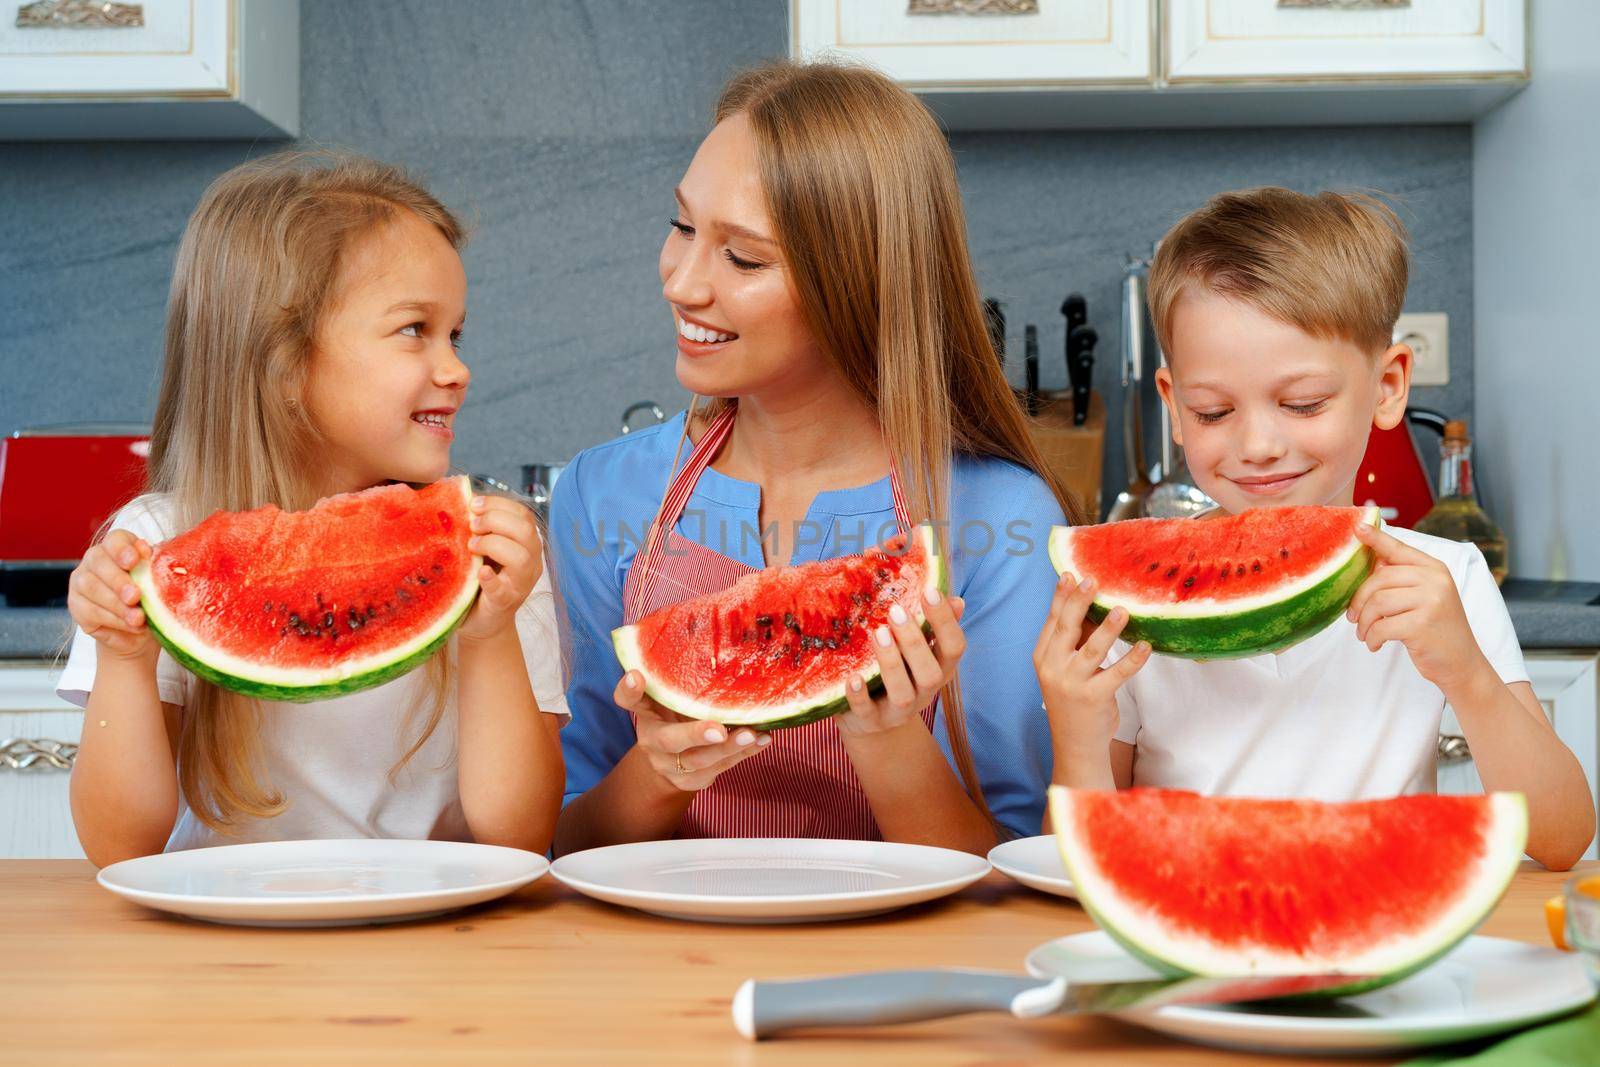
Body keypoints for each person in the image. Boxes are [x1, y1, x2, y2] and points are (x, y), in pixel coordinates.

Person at [550, 60, 1082, 855]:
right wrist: (659, 771)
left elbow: (1014, 867)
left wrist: (889, 738)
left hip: (897, 971)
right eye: (683, 226)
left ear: (857, 282)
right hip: (659, 966)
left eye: (744, 258)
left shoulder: (1002, 517)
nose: (682, 282)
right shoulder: (601, 493)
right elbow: (563, 838)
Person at [1036, 186, 1594, 870]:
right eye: (1213, 412)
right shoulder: (1125, 611)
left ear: (1388, 386)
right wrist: (1078, 729)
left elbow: (1563, 838)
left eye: (1302, 403)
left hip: (1378, 933)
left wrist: (1468, 674)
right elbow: (1083, 868)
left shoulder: (1446, 581)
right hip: (1192, 937)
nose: (1260, 443)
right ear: (1174, 407)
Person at [62, 152, 567, 866]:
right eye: (413, 329)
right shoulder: (154, 545)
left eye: (456, 333)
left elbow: (518, 832)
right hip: (228, 938)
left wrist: (490, 637)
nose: (457, 368)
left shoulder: (489, 550)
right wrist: (123, 659)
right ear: (288, 364)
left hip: (445, 935)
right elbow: (120, 845)